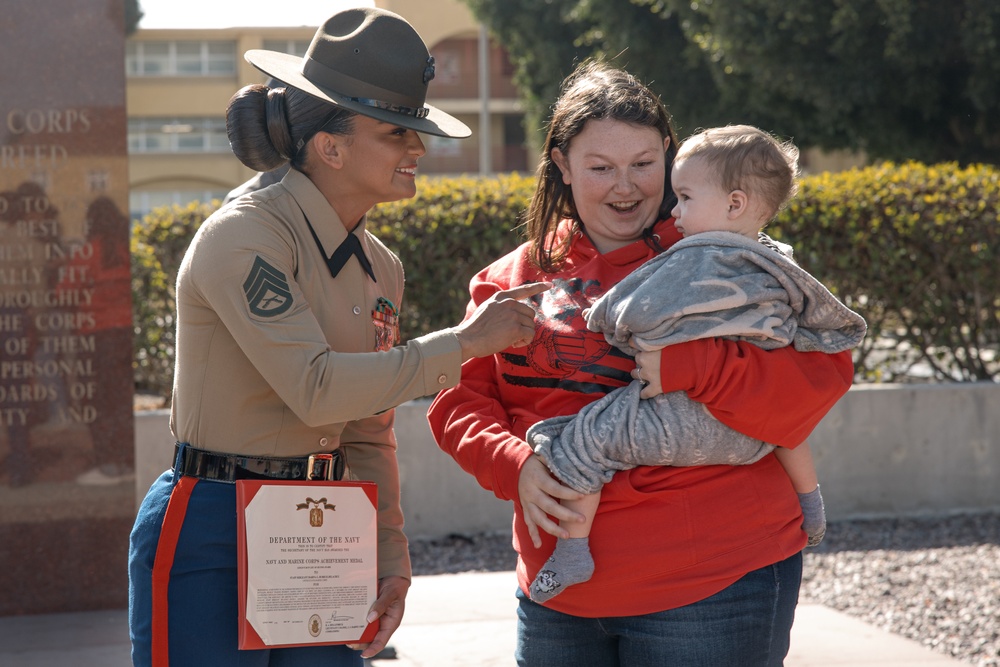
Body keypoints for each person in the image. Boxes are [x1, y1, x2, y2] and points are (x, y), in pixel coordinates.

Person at [128, 8, 547, 667]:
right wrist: (465, 343)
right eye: (396, 132)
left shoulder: (382, 266)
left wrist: (390, 558)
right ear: (331, 146)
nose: (418, 149)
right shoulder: (244, 234)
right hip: (213, 522)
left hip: (320, 522)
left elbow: (366, 430)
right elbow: (318, 389)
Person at [427, 61, 856, 667]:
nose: (625, 187)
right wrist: (515, 465)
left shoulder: (724, 260)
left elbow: (822, 377)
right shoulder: (508, 280)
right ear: (560, 163)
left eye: (644, 164)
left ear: (670, 157)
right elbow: (458, 402)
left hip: (716, 587)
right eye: (601, 168)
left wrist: (697, 366)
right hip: (556, 594)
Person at [523, 124, 867, 602]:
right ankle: (811, 504)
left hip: (680, 421)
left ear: (735, 204)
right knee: (791, 428)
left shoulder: (695, 256)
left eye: (683, 197)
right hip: (755, 436)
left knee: (586, 439)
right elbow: (818, 339)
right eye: (602, 168)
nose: (675, 210)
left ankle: (573, 551)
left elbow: (634, 311)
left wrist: (605, 319)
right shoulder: (778, 261)